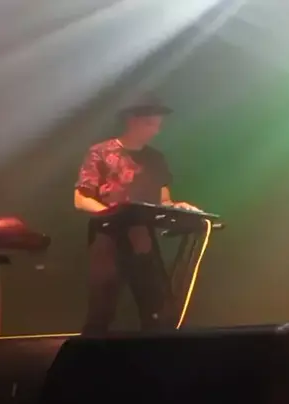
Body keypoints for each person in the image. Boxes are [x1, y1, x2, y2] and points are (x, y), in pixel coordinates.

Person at [74, 96, 201, 335]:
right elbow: (81, 199)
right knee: (102, 308)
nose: (155, 130)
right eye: (150, 124)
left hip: (143, 238)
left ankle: (156, 353)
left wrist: (178, 208)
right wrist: (116, 213)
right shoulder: (101, 152)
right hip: (108, 238)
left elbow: (163, 201)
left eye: (158, 125)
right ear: (132, 121)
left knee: (158, 309)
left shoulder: (155, 158)